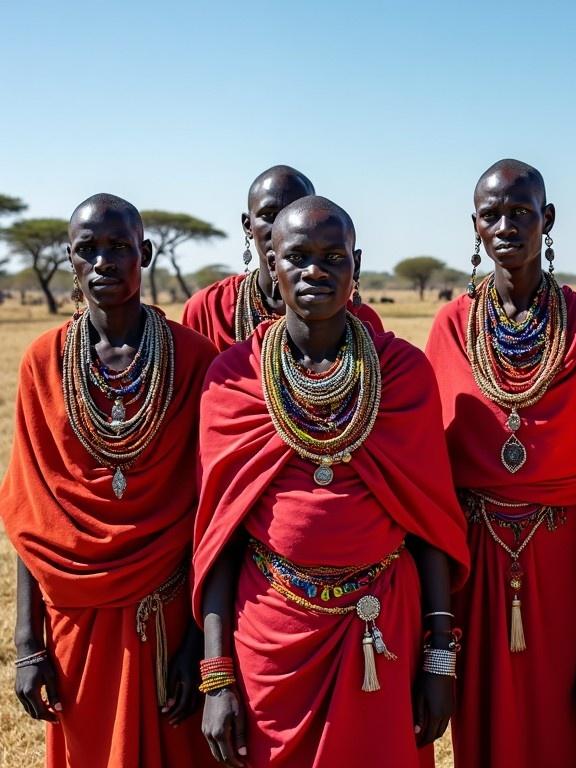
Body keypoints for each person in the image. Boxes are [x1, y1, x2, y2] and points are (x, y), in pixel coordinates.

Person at [193, 195, 470, 767]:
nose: (315, 270)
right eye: (297, 256)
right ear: (271, 265)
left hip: (380, 628)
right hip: (270, 636)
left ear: (356, 265)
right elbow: (219, 538)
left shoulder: (401, 374)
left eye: (332, 256)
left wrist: (439, 656)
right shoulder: (234, 380)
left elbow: (430, 524)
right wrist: (217, 676)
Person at [0, 194, 217, 766]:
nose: (103, 262)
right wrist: (27, 645)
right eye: (87, 249)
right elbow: (31, 512)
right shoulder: (44, 361)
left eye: (118, 247)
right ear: (69, 258)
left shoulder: (194, 358)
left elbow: (210, 511)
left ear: (143, 252)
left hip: (166, 615)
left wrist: (200, 641)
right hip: (76, 621)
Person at [424, 159, 576, 768]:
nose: (506, 225)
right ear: (475, 227)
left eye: (521, 212)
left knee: (559, 720)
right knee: (480, 717)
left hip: (560, 554)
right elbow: (430, 463)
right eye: (491, 215)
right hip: (474, 558)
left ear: (547, 219)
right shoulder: (452, 324)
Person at [181, 164, 382, 351]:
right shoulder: (209, 308)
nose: (283, 225)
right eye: (269, 215)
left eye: (296, 210)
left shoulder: (358, 319)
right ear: (248, 225)